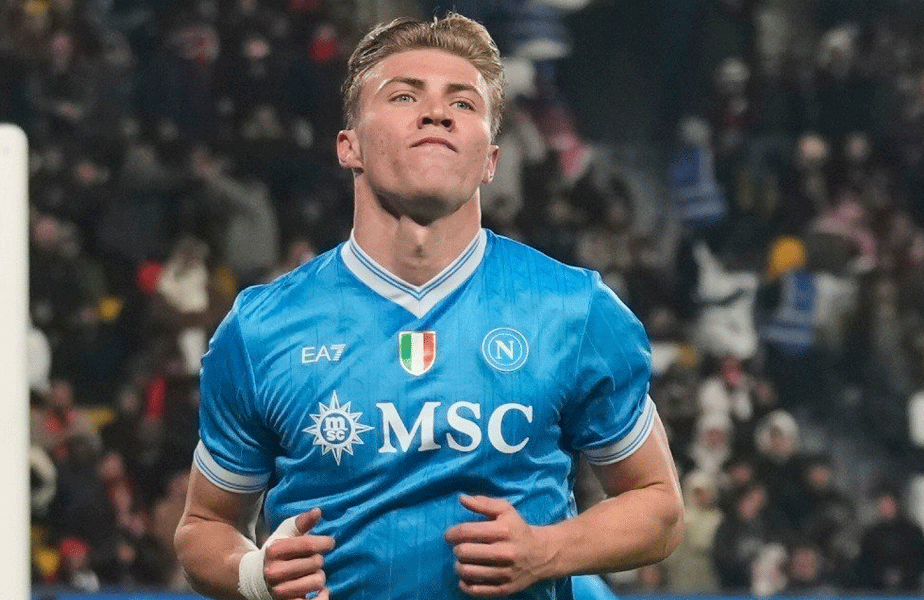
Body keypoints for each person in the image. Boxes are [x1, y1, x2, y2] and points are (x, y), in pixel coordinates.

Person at [175, 13, 683, 600]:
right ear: (349, 146)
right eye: (404, 95)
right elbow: (205, 525)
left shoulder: (574, 309)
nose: (437, 112)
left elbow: (658, 505)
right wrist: (252, 574)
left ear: (490, 160)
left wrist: (547, 550)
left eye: (463, 103)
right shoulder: (262, 327)